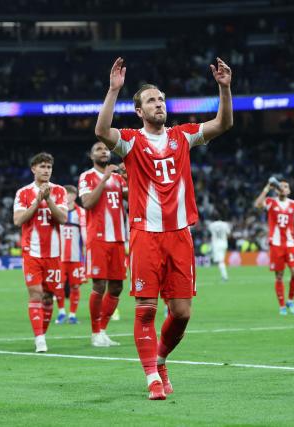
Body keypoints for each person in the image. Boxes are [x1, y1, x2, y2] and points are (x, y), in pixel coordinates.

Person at [95, 56, 233, 399]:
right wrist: (113, 91)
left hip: (180, 235)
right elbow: (101, 131)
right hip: (145, 236)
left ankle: (160, 359)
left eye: (161, 99)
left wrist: (224, 88)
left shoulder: (183, 136)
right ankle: (152, 378)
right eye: (151, 101)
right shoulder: (130, 141)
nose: (159, 104)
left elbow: (222, 124)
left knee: (182, 313)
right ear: (139, 111)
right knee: (145, 309)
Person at [13, 152, 68, 353]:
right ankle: (40, 339)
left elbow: (62, 219)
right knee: (36, 294)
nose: (46, 170)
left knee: (48, 296)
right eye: (42, 166)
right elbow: (18, 220)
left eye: (49, 167)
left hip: (53, 253)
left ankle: (42, 333)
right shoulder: (23, 193)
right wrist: (37, 202)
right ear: (33, 169)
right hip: (32, 252)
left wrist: (49, 200)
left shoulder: (60, 191)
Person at [79, 142, 128, 347]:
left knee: (117, 286)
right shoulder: (87, 176)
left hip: (117, 238)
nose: (104, 151)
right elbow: (87, 203)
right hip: (97, 238)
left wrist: (129, 176)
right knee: (99, 284)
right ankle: (94, 332)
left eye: (106, 149)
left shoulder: (118, 178)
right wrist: (105, 178)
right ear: (92, 156)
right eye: (98, 149)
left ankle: (103, 331)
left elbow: (134, 198)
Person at [254, 177, 294, 315]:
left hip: (291, 244)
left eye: (286, 186)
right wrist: (267, 188)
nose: (283, 188)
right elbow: (257, 204)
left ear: (289, 191)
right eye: (281, 186)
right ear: (277, 190)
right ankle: (282, 306)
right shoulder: (271, 202)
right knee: (279, 276)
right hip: (276, 244)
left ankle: (290, 300)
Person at [58, 185, 87, 324]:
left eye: (70, 194)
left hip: (76, 257)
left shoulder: (81, 212)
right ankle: (61, 312)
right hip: (59, 257)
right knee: (59, 285)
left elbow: (86, 236)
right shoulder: (57, 211)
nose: (68, 197)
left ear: (75, 196)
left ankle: (72, 315)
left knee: (75, 286)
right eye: (66, 194)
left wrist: (86, 256)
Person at [207, 215, 232, 281]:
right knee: (220, 260)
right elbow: (229, 233)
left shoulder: (211, 225)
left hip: (216, 244)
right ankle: (224, 276)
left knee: (220, 261)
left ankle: (225, 276)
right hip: (224, 243)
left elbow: (210, 233)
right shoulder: (225, 224)